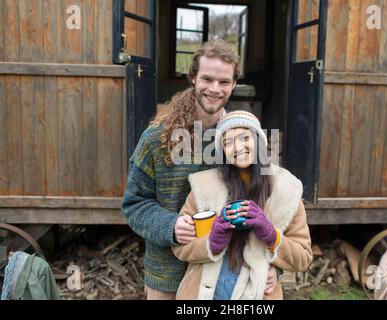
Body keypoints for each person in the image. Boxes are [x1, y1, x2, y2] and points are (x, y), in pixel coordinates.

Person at [121, 40, 278, 300]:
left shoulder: (242, 140)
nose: (215, 89)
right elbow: (134, 203)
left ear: (234, 84)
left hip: (225, 277)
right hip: (168, 276)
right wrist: (170, 226)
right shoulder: (157, 138)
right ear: (193, 77)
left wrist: (271, 266)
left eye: (224, 82)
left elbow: (268, 208)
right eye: (207, 79)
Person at [172, 111, 313, 299]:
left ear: (258, 141)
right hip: (205, 292)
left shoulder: (287, 189)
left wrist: (272, 236)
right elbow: (180, 246)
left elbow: (303, 259)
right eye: (227, 142)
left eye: (245, 137)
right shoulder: (203, 187)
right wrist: (212, 243)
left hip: (258, 293)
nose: (237, 147)